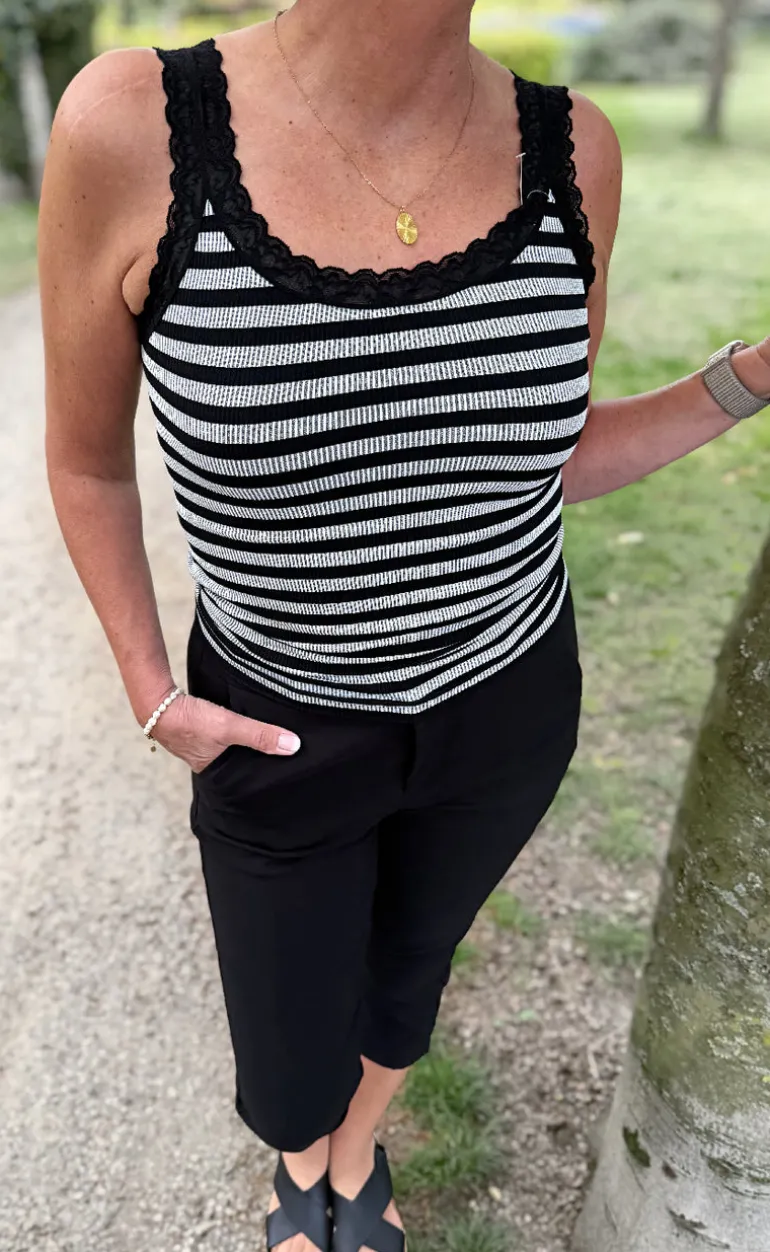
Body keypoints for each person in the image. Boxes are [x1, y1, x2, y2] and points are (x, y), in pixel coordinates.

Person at [38, 2, 770, 1250]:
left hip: (507, 700)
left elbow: (541, 457)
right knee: (286, 1050)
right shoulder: (134, 128)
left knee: (411, 962)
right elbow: (87, 461)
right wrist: (153, 690)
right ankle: (300, 1153)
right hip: (277, 725)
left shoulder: (573, 149)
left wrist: (745, 378)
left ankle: (353, 1153)